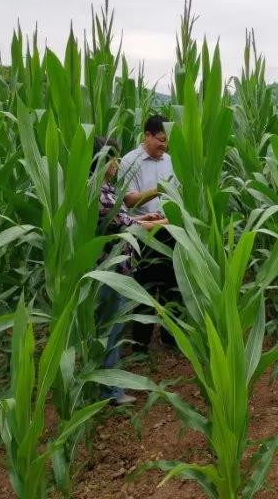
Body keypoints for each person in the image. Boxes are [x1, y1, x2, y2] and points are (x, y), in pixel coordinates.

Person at [93, 136, 167, 405]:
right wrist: (167, 222)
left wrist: (142, 217)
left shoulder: (106, 188)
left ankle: (108, 387)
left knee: (114, 326)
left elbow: (122, 220)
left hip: (119, 269)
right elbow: (124, 226)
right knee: (111, 329)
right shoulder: (98, 192)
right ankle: (110, 392)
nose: (117, 163)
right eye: (113, 158)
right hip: (109, 272)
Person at [118, 115, 180, 350]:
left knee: (170, 286)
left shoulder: (170, 160)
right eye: (161, 140)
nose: (164, 146)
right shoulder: (129, 162)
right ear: (147, 136)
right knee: (143, 286)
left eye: (167, 141)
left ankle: (169, 338)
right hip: (142, 233)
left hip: (167, 229)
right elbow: (130, 200)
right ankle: (140, 343)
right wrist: (160, 189)